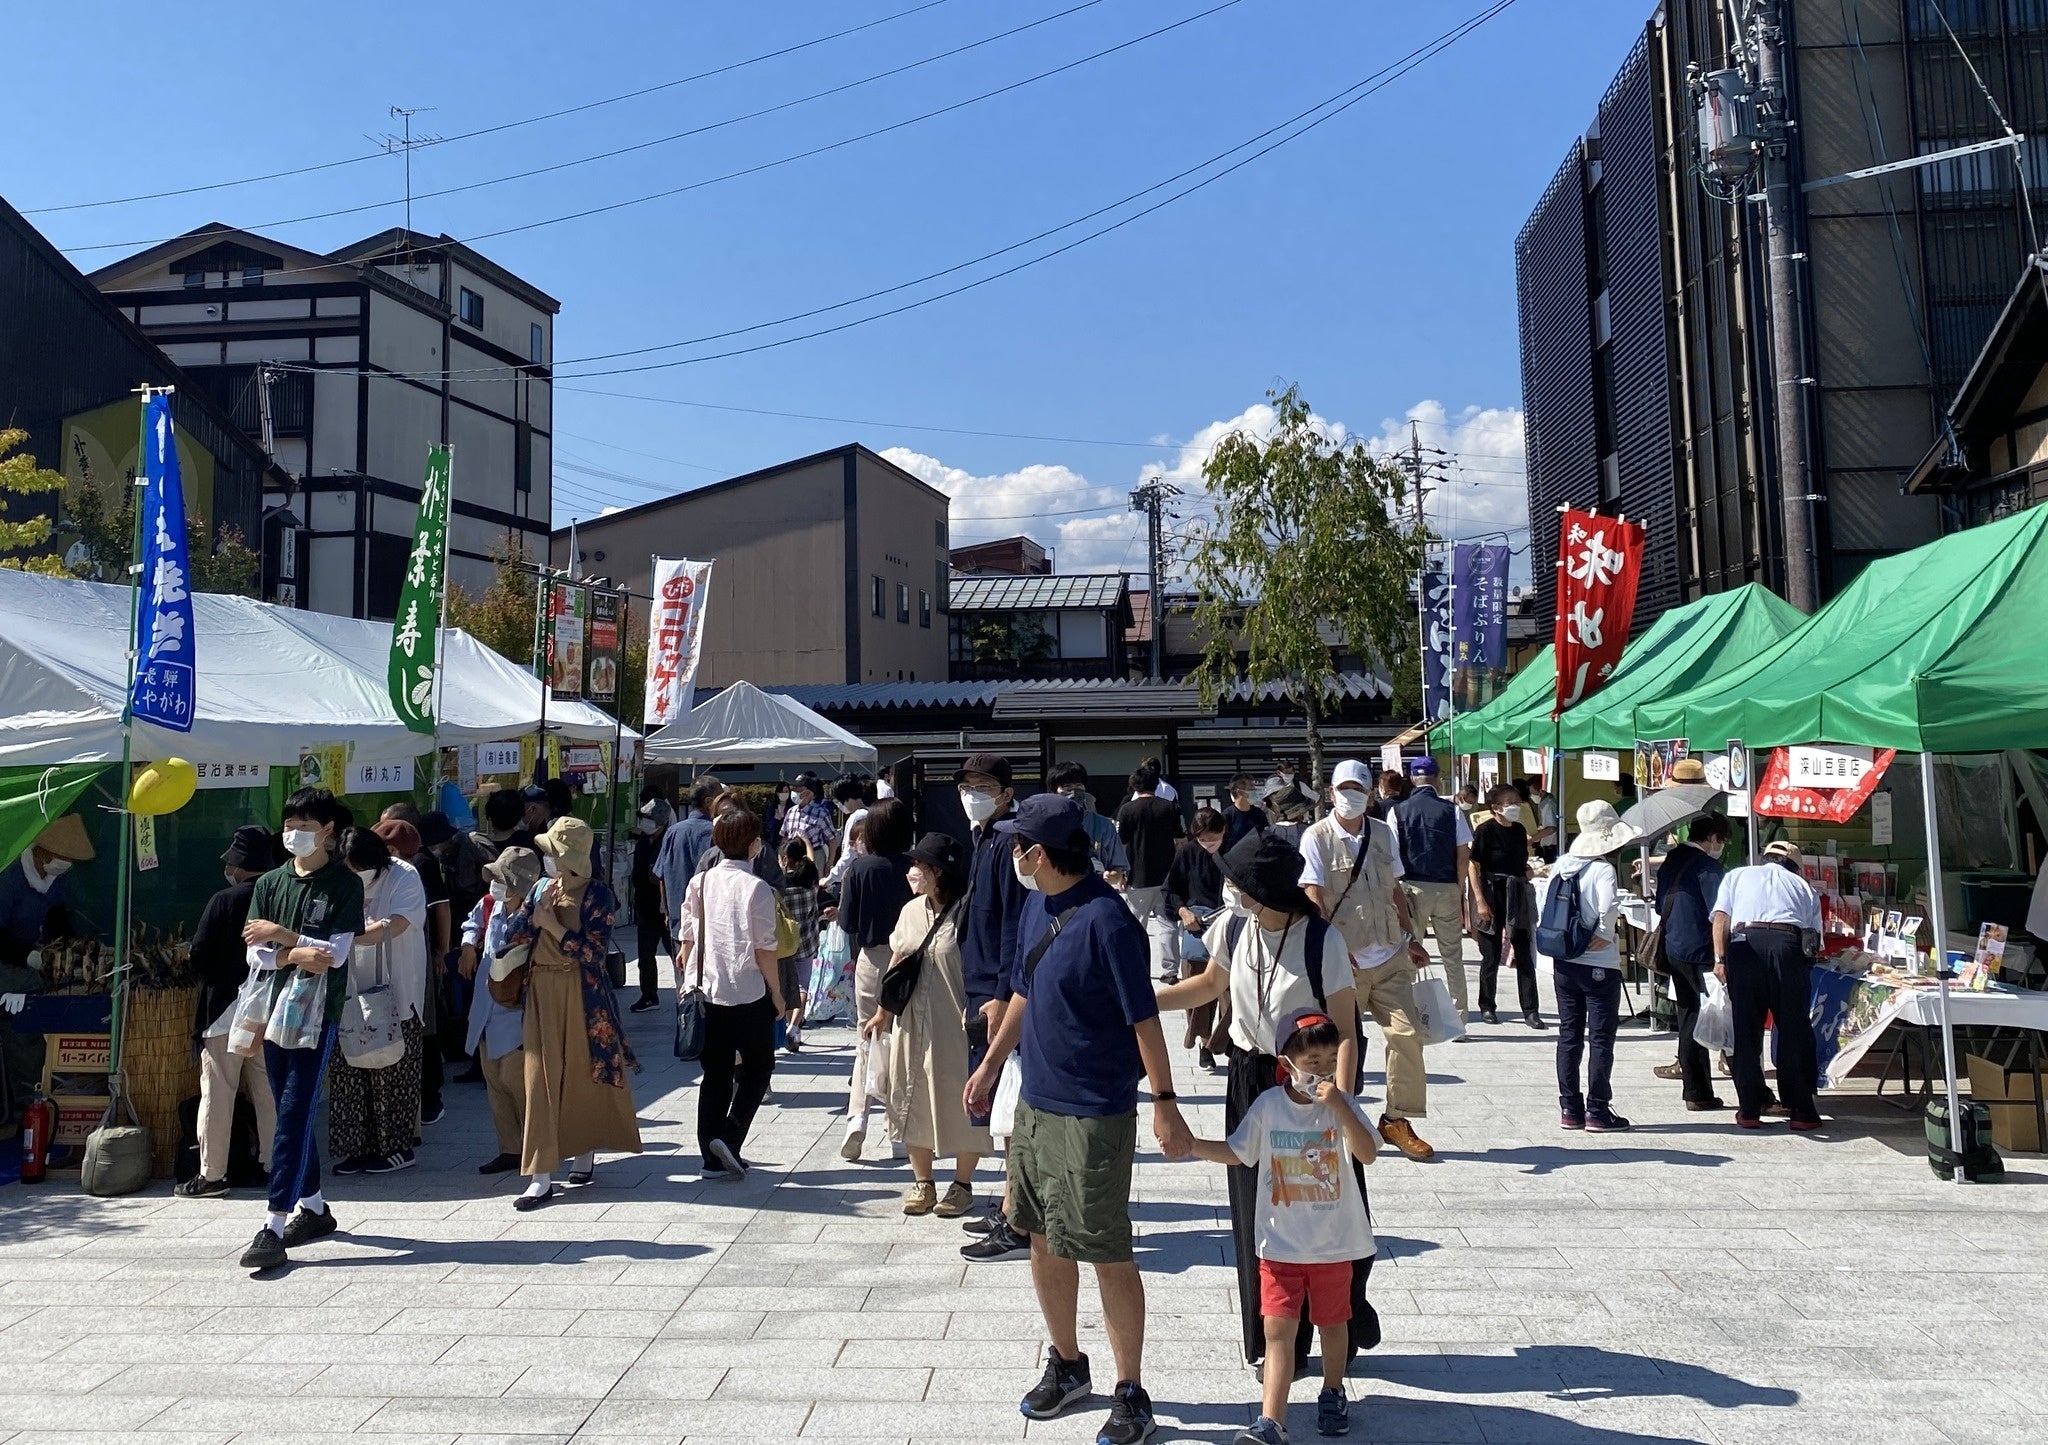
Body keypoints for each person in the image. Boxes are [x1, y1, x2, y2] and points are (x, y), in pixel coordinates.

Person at [964, 794, 1186, 1445]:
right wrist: (993, 1065)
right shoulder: (1039, 902)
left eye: (1017, 845)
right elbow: (1025, 992)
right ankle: (1067, 1362)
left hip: (1094, 1111)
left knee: (1106, 1249)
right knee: (1040, 1234)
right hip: (1036, 1103)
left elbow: (1143, 1018)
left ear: (1040, 854)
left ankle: (1131, 1389)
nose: (1011, 855)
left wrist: (1166, 1105)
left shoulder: (1108, 920)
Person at [1156, 830, 1368, 1369]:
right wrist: (1139, 1000)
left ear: (1265, 890)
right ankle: (1275, 1343)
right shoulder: (1233, 926)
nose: (1231, 891)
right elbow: (1207, 987)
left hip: (1310, 1082)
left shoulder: (1322, 941)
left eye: (1239, 883)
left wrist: (1335, 1103)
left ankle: (1345, 1308)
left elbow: (1345, 1029)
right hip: (1250, 1075)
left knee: (1328, 1200)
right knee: (1256, 1208)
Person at [1177, 1009, 1380, 1445]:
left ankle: (1332, 1390)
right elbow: (1239, 1152)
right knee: (1277, 1332)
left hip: (1331, 1246)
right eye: (1313, 1062)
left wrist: (1342, 1105)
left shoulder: (1340, 1106)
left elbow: (1367, 1154)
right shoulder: (1269, 1106)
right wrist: (1193, 1145)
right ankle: (1271, 1420)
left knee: (1332, 1324)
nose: (1322, 1071)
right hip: (1279, 1246)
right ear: (1286, 1061)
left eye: (1330, 1060)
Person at [236, 788, 363, 1272]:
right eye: (290, 823)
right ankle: (312, 1206)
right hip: (273, 1008)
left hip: (319, 1012)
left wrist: (284, 937)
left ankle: (273, 1223)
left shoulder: (343, 886)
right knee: (289, 1104)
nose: (294, 832)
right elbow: (254, 953)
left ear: (328, 830)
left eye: (305, 824)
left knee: (292, 1108)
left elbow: (335, 955)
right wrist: (294, 953)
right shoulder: (269, 882)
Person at [498, 816, 642, 1210]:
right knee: (539, 1076)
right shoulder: (543, 887)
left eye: (551, 853)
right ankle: (540, 1174)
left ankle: (583, 1151)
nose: (547, 860)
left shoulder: (599, 894)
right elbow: (513, 936)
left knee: (583, 1072)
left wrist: (553, 926)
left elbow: (595, 953)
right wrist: (527, 913)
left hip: (582, 992)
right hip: (541, 989)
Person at [1299, 760, 1438, 1163]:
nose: (1351, 795)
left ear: (1371, 793)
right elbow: (1313, 895)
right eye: (1344, 788)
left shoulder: (1382, 832)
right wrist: (1331, 948)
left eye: (1358, 789)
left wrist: (1411, 936)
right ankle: (1322, 1117)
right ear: (1330, 792)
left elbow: (1394, 888)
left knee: (1407, 1035)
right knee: (1335, 1044)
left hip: (1391, 951)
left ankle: (1397, 1119)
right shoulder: (1317, 836)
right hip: (1346, 960)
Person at [865, 831, 989, 1217]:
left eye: (920, 865)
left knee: (963, 1100)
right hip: (912, 1022)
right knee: (910, 1096)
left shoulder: (970, 912)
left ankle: (962, 1184)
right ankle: (923, 1183)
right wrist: (883, 1011)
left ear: (938, 871)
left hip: (956, 1024)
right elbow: (898, 960)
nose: (913, 870)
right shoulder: (911, 911)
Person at [676, 809, 785, 1180]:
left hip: (705, 989)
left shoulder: (700, 881)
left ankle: (711, 1156)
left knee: (715, 1073)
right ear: (754, 845)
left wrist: (686, 978)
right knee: (758, 1068)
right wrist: (778, 993)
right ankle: (730, 1138)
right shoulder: (757, 888)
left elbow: (687, 937)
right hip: (747, 989)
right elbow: (764, 948)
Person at [176, 825, 280, 1199]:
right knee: (269, 1088)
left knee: (219, 1089)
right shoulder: (279, 897)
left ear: (237, 865)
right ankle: (276, 1163)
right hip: (270, 1005)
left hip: (224, 1008)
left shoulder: (223, 900)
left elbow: (199, 957)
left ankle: (212, 1174)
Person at [956, 753, 1031, 1257]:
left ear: (1006, 793)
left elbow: (1012, 927)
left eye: (983, 785)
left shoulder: (1007, 841)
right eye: (967, 785)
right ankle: (1010, 1205)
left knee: (1008, 1109)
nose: (971, 793)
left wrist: (1002, 996)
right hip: (982, 988)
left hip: (995, 993)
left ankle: (1018, 1219)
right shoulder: (987, 835)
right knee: (1002, 1107)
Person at [329, 824, 430, 1176]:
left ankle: (396, 1147)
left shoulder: (404, 875)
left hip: (396, 990)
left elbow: (400, 922)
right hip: (349, 991)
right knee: (349, 1072)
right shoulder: (338, 877)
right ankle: (354, 1147)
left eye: (362, 867)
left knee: (392, 1069)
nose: (357, 873)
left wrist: (348, 937)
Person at [1712, 840, 1825, 1131]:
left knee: (1746, 1031)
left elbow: (1721, 918)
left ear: (1765, 859)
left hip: (1744, 946)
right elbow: (1814, 942)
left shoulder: (1737, 875)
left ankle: (1749, 1109)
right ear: (1795, 866)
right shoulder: (1804, 888)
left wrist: (1720, 959)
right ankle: (1800, 1110)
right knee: (1793, 1029)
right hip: (1789, 946)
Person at [0, 813, 95, 1128]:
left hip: (30, 955)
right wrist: (28, 957)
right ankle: (25, 1112)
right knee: (24, 1026)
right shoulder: (10, 876)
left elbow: (56, 918)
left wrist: (74, 948)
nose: (64, 863)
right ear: (41, 852)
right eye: (61, 857)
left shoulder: (57, 879)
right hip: (8, 961)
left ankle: (48, 1099)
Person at [1548, 800, 1637, 1132]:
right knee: (1601, 1037)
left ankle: (1569, 1107)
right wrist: (1602, 933)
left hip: (1564, 960)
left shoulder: (1561, 865)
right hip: (1599, 963)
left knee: (1569, 1034)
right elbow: (1609, 907)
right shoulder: (1603, 870)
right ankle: (1597, 1110)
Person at [838, 796, 914, 1160]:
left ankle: (857, 1118)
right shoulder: (915, 867)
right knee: (905, 1042)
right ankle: (899, 1130)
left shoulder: (860, 868)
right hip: (911, 960)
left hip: (870, 958)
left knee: (867, 1037)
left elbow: (847, 922)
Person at [460, 846, 541, 1175]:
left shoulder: (535, 911)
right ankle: (509, 1147)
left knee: (516, 1078)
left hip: (518, 1004)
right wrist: (468, 945)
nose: (494, 882)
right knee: (493, 1078)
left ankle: (533, 1147)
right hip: (487, 1001)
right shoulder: (489, 904)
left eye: (501, 878)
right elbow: (472, 924)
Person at [374, 810, 451, 1127]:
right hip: (401, 959)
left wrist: (443, 951)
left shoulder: (416, 867)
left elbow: (441, 908)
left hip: (417, 955)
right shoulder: (393, 870)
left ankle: (430, 1098)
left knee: (423, 1025)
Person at [1653, 814, 1729, 1112]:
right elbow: (1719, 913)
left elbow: (1660, 904)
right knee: (1711, 1016)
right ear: (1712, 838)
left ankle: (1695, 1090)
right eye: (1721, 840)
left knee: (1688, 1017)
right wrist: (1722, 956)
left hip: (1674, 947)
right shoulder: (1708, 867)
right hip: (1701, 951)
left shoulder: (1672, 859)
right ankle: (1703, 1091)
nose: (1720, 846)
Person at [1390, 758, 1471, 1025]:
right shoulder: (1453, 810)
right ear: (1437, 779)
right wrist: (1458, 887)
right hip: (1446, 885)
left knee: (1410, 953)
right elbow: (1463, 853)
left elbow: (1391, 855)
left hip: (1411, 886)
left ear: (1412, 779)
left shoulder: (1399, 811)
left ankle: (1411, 1015)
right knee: (1453, 956)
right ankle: (1459, 1019)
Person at [1468, 784, 1544, 1030]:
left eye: (1516, 800)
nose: (1515, 806)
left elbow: (1522, 861)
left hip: (1517, 893)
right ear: (1495, 808)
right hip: (1492, 892)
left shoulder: (1520, 830)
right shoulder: (1485, 831)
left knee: (1524, 952)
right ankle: (1487, 1005)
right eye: (1509, 802)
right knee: (1490, 955)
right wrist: (1479, 900)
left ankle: (1531, 1010)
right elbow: (1474, 866)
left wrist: (1528, 871)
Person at [1164, 807, 1228, 1069]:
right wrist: (1183, 911)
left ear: (1224, 831)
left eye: (1214, 837)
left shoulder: (1234, 852)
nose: (1209, 843)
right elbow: (1171, 890)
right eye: (1203, 839)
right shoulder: (1187, 853)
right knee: (1197, 987)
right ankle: (1204, 1041)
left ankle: (1226, 1041)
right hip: (1197, 926)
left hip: (1230, 924)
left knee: (1234, 993)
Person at [1117, 759, 1185, 984]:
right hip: (1167, 874)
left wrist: (1121, 873)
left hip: (1138, 874)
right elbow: (1181, 839)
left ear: (1134, 786)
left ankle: (1137, 969)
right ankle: (1171, 970)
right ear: (1157, 785)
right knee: (1168, 924)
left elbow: (1122, 842)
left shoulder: (1127, 810)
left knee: (1137, 924)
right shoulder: (1169, 807)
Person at [655, 777, 721, 946]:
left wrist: (667, 912)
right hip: (711, 923)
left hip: (678, 921)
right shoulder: (715, 832)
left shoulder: (672, 832)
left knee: (682, 970)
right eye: (720, 797)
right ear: (708, 802)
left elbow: (661, 876)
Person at [629, 795, 673, 1013]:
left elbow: (661, 875)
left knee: (675, 952)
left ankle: (687, 990)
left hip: (664, 907)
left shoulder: (668, 841)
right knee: (645, 956)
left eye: (649, 818)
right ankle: (648, 995)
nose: (644, 822)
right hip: (645, 906)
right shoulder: (643, 842)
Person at [1049, 760, 1128, 879]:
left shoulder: (1103, 825)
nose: (1074, 791)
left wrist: (1112, 876)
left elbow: (1118, 868)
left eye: (1078, 785)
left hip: (1094, 891)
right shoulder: (1046, 824)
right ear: (1053, 791)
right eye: (1067, 787)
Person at [777, 838, 821, 1053]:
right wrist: (806, 841)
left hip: (785, 943)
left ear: (785, 859)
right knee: (803, 986)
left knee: (786, 986)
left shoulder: (781, 886)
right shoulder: (811, 881)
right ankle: (795, 1027)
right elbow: (811, 861)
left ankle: (788, 1024)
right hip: (807, 941)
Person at [824, 775, 879, 890]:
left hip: (858, 876)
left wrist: (830, 879)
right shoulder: (869, 812)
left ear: (845, 797)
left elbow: (849, 854)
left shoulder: (857, 817)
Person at [783, 772, 838, 873]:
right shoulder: (791, 811)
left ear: (808, 792)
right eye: (794, 788)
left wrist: (829, 864)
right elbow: (784, 836)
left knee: (813, 886)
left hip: (815, 855)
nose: (793, 791)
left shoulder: (820, 813)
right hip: (792, 857)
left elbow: (832, 840)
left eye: (798, 789)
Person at [1222, 774, 1269, 851]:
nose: (1255, 790)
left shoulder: (1259, 814)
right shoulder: (1227, 816)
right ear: (1240, 792)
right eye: (1251, 788)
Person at [1526, 776, 1560, 862]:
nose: (1531, 796)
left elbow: (1551, 828)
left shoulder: (1548, 804)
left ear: (1540, 790)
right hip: (1550, 846)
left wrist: (1532, 839)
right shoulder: (1545, 803)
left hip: (1552, 847)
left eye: (1532, 793)